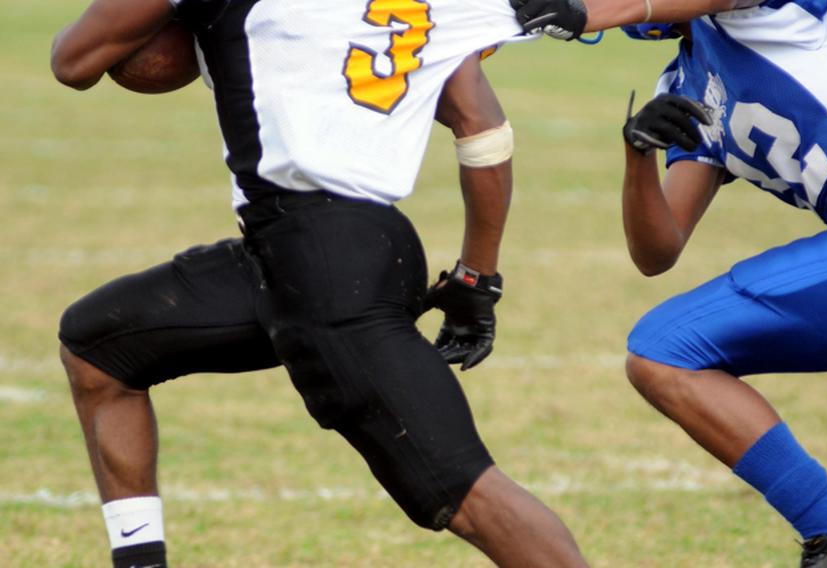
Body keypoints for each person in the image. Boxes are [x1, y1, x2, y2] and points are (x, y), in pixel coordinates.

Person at [50, 1, 589, 567]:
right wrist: (477, 278)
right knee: (98, 347)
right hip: (351, 248)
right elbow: (483, 127)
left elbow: (73, 61)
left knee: (467, 494)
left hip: (321, 267)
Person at [608, 1, 827, 566]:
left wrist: (576, 13)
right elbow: (657, 249)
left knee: (664, 349)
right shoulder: (689, 77)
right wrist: (638, 156)